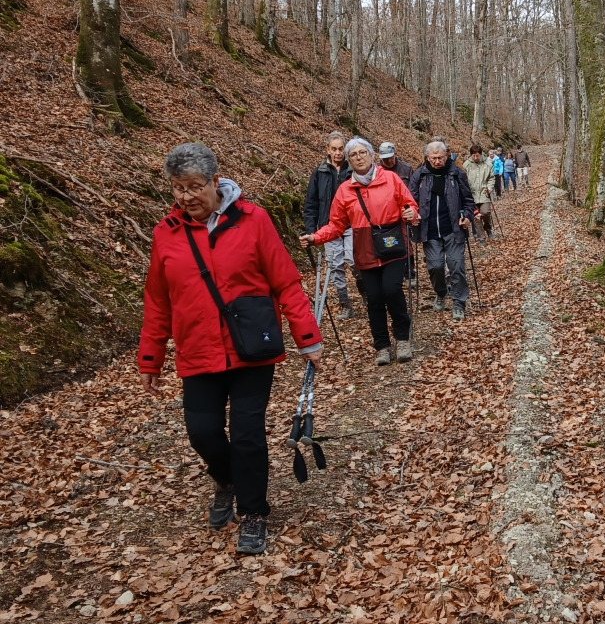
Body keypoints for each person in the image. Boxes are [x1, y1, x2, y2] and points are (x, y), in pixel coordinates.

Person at [138, 143, 322, 556]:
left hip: (251, 350)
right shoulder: (165, 234)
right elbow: (157, 301)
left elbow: (286, 283)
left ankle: (254, 511)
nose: (186, 196)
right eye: (178, 188)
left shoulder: (253, 220)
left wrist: (307, 337)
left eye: (194, 186)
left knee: (247, 434)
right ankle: (226, 480)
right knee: (202, 433)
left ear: (216, 182)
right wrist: (151, 357)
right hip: (196, 350)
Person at [301, 138, 418, 366]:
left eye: (362, 152)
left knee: (392, 290)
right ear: (349, 160)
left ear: (371, 154)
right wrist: (315, 238)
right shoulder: (345, 190)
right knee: (373, 299)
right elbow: (336, 225)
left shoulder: (390, 179)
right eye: (353, 155)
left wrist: (412, 213)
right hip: (364, 248)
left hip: (392, 243)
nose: (358, 157)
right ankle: (382, 345)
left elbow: (409, 204)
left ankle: (402, 338)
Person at [410, 139, 478, 323]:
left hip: (453, 230)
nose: (437, 161)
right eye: (434, 158)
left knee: (457, 266)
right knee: (436, 266)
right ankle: (441, 292)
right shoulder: (419, 176)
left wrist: (468, 216)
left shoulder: (457, 174)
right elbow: (410, 202)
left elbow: (468, 201)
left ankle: (458, 302)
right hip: (429, 232)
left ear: (447, 155)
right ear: (427, 157)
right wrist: (412, 214)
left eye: (440, 157)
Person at [304, 131, 355, 319]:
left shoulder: (352, 170)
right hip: (328, 225)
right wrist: (311, 231)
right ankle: (345, 303)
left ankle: (365, 290)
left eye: (341, 149)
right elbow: (311, 203)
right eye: (334, 149)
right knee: (335, 266)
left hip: (352, 224)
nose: (338, 153)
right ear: (327, 150)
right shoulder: (319, 172)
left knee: (354, 260)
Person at [464, 144, 495, 242]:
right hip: (471, 195)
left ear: (481, 155)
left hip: (484, 193)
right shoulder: (466, 165)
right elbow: (463, 179)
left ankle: (488, 228)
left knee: (485, 212)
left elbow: (491, 177)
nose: (475, 158)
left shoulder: (488, 163)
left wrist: (489, 188)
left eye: (477, 155)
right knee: (476, 216)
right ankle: (481, 237)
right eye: (473, 156)